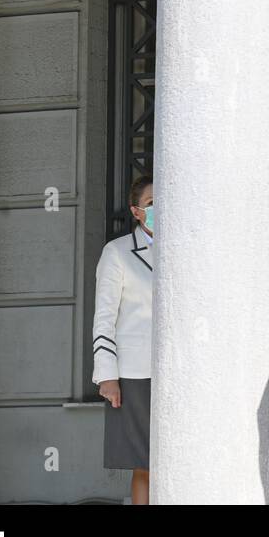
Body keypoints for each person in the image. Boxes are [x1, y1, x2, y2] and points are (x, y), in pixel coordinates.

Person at [92, 175, 155, 505]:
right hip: (135, 374)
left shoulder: (187, 251)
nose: (160, 209)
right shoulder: (117, 253)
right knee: (144, 465)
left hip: (179, 374)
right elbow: (104, 316)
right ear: (136, 211)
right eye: (151, 204)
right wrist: (107, 375)